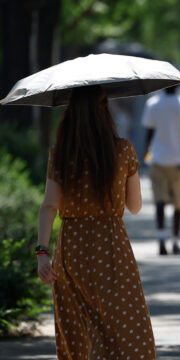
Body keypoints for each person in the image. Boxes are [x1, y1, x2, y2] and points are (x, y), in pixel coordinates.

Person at [36, 85, 156, 360]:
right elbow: (135, 207)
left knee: (78, 329)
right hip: (111, 245)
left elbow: (49, 205)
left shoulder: (61, 154)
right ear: (105, 111)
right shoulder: (123, 150)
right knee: (123, 326)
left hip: (72, 248)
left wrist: (42, 253)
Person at [142, 85, 180, 255]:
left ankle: (161, 238)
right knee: (178, 205)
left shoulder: (153, 104)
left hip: (158, 160)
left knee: (159, 202)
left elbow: (149, 133)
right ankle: (175, 241)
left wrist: (146, 155)